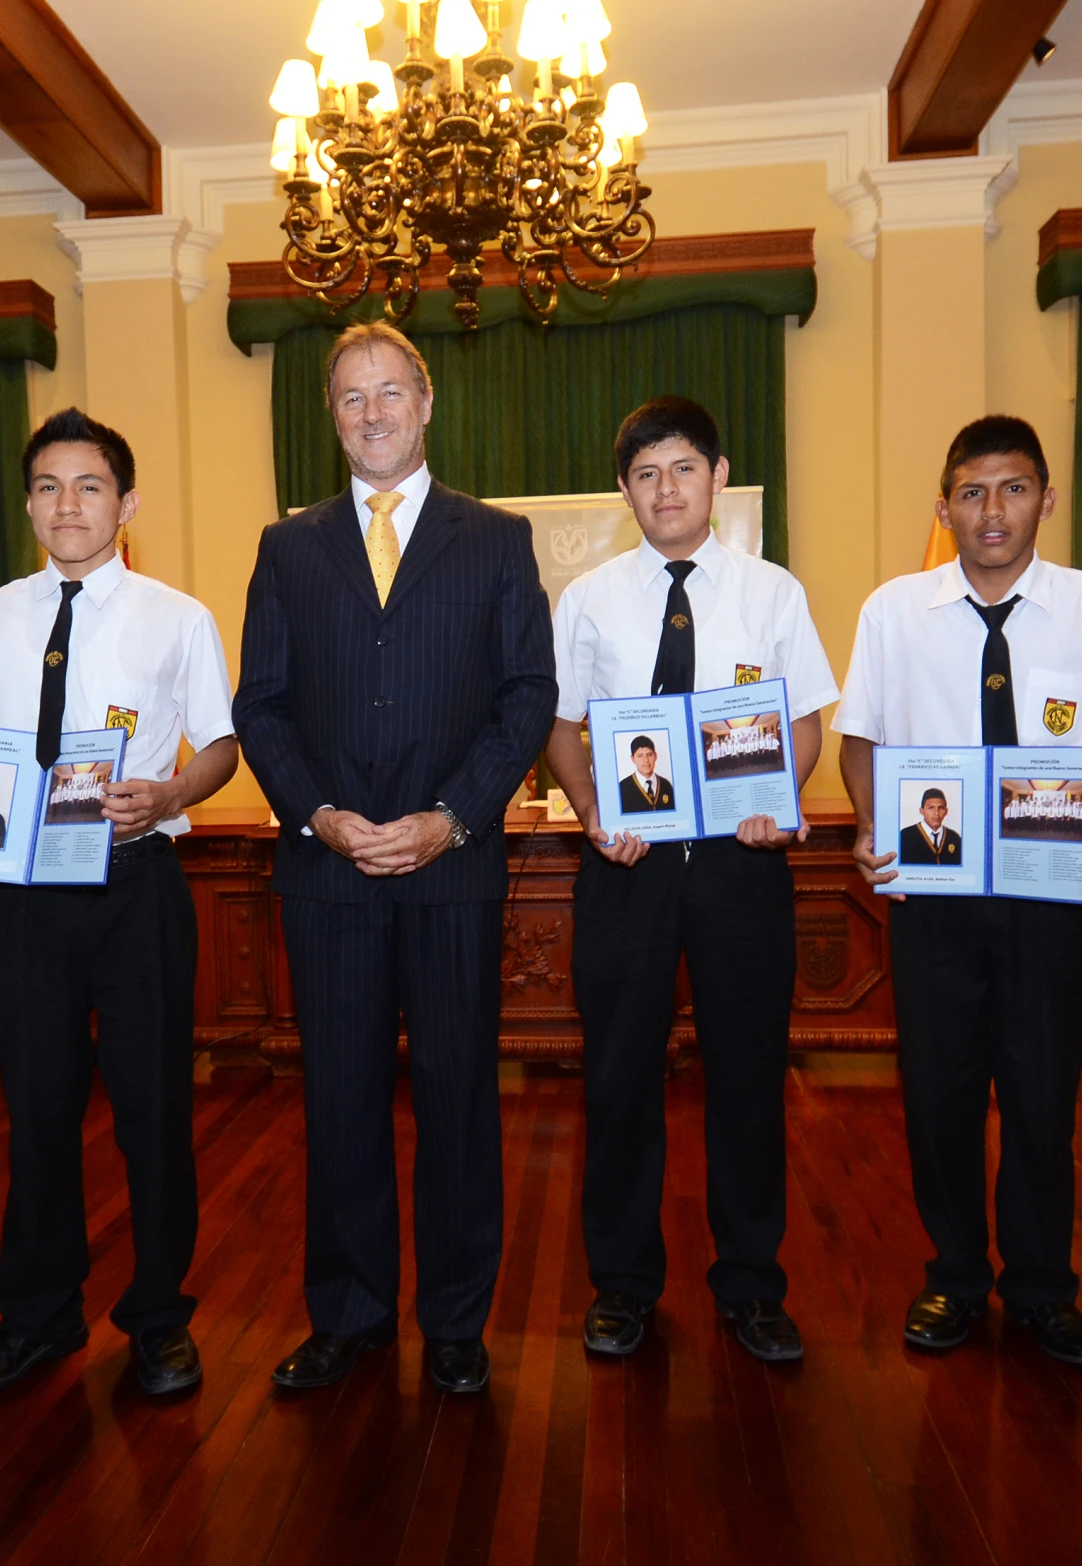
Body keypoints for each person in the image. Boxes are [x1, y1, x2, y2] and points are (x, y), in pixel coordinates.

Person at [235, 321, 556, 1396]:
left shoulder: (495, 540)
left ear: (425, 403)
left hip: (452, 870)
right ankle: (349, 1316)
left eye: (388, 393)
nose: (370, 414)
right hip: (325, 872)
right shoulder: (288, 548)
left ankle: (456, 1323)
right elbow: (261, 706)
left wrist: (450, 818)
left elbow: (525, 699)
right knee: (338, 1101)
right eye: (348, 398)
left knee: (460, 1096)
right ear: (329, 416)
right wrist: (317, 814)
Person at [834, 414, 1082, 1367]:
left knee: (1040, 1095)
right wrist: (871, 828)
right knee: (937, 1095)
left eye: (1013, 488)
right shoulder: (891, 610)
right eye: (972, 492)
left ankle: (1040, 1287)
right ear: (942, 505)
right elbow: (859, 738)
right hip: (931, 896)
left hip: (1047, 894)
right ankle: (951, 1275)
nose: (991, 511)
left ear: (1045, 498)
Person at [0, 408, 239, 1399]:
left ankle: (157, 1316)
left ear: (126, 502)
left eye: (90, 486)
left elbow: (222, 745)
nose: (69, 505)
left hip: (136, 886)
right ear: (28, 503)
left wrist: (170, 794)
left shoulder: (176, 617)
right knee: (36, 1107)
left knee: (150, 1108)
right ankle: (36, 1316)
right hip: (23, 894)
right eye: (49, 487)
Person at [542, 395, 839, 1363]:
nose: (663, 488)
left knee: (747, 1079)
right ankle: (621, 1284)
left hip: (738, 867)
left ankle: (751, 1284)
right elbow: (561, 727)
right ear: (622, 489)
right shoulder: (587, 600)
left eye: (680, 468)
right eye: (642, 473)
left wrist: (777, 796)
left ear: (716, 477)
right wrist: (591, 812)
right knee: (619, 1080)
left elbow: (801, 724)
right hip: (625, 872)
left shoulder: (772, 593)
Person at [898, 787, 961, 865]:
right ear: (922, 811)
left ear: (946, 811)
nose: (936, 813)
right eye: (931, 808)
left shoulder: (954, 838)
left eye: (940, 808)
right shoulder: (905, 836)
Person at [617, 735, 675, 813]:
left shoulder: (666, 785)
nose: (646, 760)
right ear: (633, 759)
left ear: (656, 756)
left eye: (649, 755)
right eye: (640, 756)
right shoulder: (622, 788)